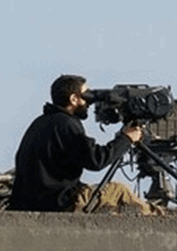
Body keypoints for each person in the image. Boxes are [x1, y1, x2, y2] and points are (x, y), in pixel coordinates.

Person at [8, 74, 150, 213]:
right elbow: (96, 160)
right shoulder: (66, 124)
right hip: (59, 202)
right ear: (74, 99)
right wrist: (127, 139)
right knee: (120, 190)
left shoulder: (41, 122)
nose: (89, 103)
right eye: (86, 96)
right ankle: (158, 216)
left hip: (29, 202)